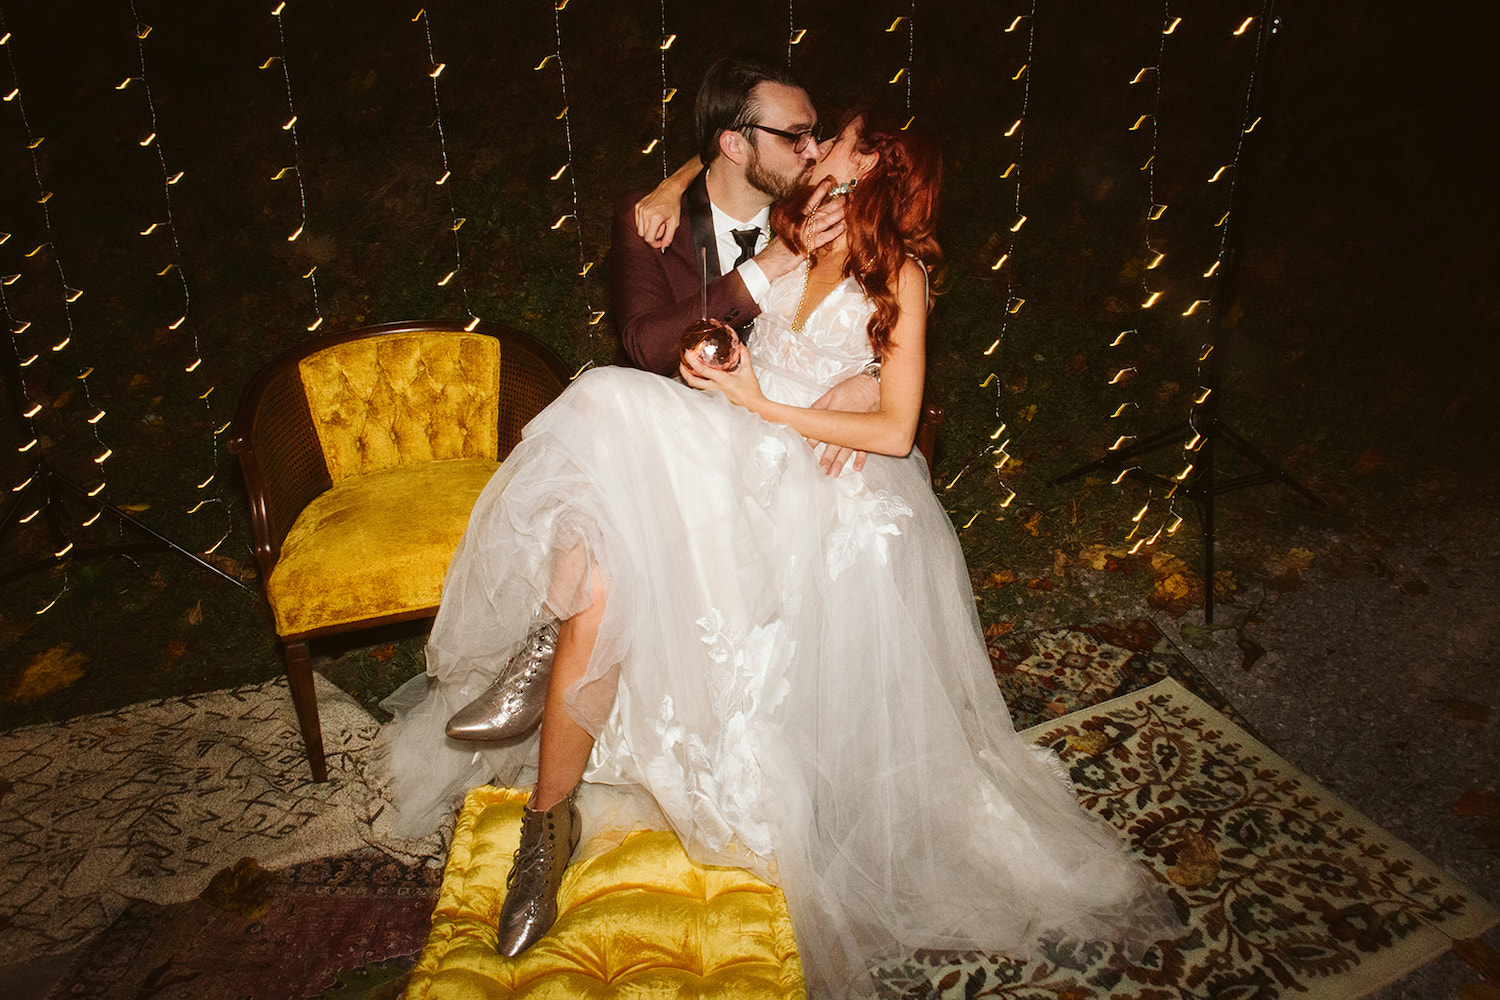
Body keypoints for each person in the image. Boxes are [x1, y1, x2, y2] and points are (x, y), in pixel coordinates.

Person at [375, 105, 1177, 997]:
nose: (813, 146)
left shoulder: (898, 275)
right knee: (605, 432)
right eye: (811, 134)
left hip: (811, 476)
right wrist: (712, 339)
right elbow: (725, 161)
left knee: (609, 445)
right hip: (739, 448)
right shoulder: (789, 226)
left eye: (831, 137)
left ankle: (543, 675)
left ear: (869, 165)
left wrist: (800, 392)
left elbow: (899, 426)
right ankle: (545, 801)